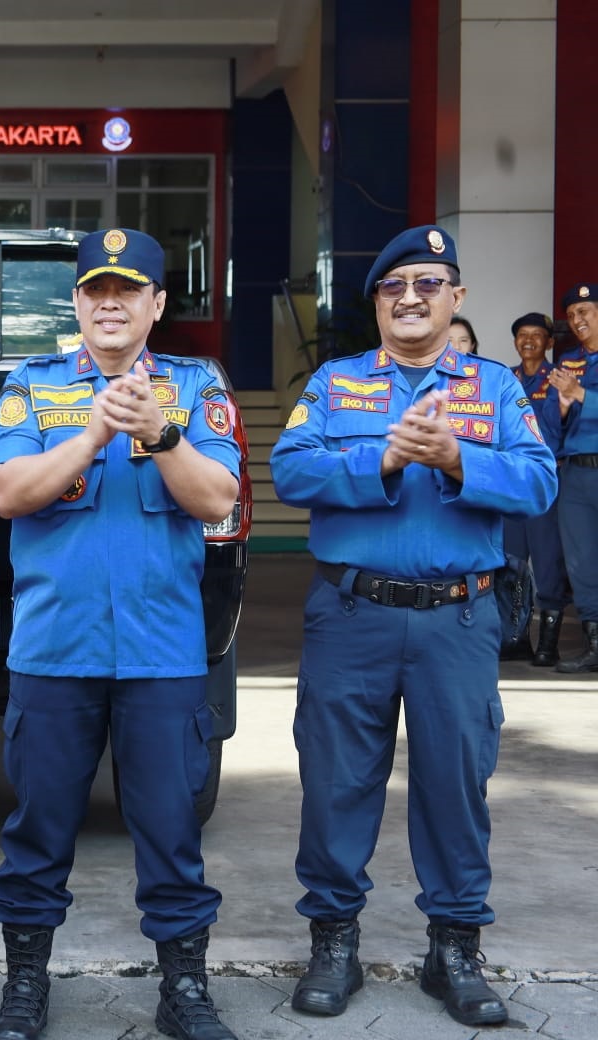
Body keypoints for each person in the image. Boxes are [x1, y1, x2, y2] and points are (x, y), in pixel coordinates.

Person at [270, 226, 556, 1026]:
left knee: (455, 785)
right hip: (351, 614)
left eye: (428, 284)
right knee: (334, 782)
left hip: (458, 620)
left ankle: (454, 948)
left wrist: (459, 460)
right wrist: (384, 462)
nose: (410, 298)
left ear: (455, 298)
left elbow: (538, 484)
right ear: (377, 305)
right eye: (394, 287)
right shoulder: (335, 383)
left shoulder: (494, 389)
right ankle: (333, 943)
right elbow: (290, 468)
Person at [0, 228, 243, 1040]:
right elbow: (6, 492)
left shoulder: (197, 390)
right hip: (55, 652)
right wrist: (93, 433)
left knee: (170, 827)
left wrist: (161, 434)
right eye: (96, 289)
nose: (109, 303)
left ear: (157, 304)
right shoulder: (34, 387)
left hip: (163, 655)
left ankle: (184, 989)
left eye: (128, 290)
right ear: (76, 303)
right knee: (39, 825)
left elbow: (218, 499)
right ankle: (24, 985)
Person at [501, 312, 569, 664]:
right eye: (522, 335)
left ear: (549, 342)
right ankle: (516, 638)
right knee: (512, 563)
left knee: (546, 564)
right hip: (513, 485)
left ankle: (547, 645)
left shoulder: (555, 379)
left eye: (537, 335)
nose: (529, 341)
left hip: (542, 484)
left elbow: (550, 433)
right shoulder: (506, 379)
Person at [549, 281, 598, 672]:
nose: (577, 320)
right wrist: (563, 407)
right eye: (571, 315)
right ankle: (594, 644)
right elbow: (550, 425)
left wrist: (582, 396)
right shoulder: (567, 364)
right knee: (581, 563)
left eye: (585, 312)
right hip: (577, 474)